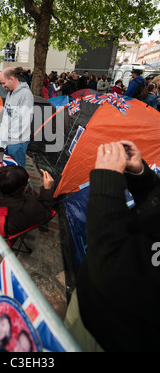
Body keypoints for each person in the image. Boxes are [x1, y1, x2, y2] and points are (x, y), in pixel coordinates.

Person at [64, 140, 160, 352]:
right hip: (89, 301)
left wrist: (107, 181)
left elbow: (110, 262)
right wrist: (142, 177)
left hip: (106, 333)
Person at [0, 165, 55, 235]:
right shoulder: (27, 205)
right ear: (24, 188)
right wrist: (47, 188)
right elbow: (46, 215)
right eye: (26, 183)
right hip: (8, 229)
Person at [0, 67, 34, 168]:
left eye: (3, 83)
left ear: (11, 79)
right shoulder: (10, 92)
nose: (2, 86)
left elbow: (23, 122)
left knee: (18, 171)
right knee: (10, 170)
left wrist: (9, 140)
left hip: (17, 142)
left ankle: (23, 184)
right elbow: (7, 115)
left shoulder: (25, 94)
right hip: (9, 140)